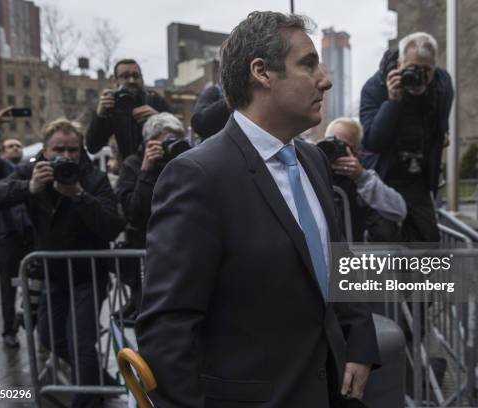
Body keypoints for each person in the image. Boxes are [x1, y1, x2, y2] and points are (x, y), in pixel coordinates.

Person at [136, 12, 379, 408]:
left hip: (333, 391)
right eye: (308, 64)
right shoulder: (197, 176)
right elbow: (167, 328)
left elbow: (338, 263)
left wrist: (360, 344)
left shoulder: (313, 160)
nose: (325, 79)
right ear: (262, 72)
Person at [0, 118, 124, 408]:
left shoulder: (93, 178)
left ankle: (88, 400)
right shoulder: (32, 172)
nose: (66, 157)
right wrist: (29, 188)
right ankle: (100, 383)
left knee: (80, 342)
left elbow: (112, 225)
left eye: (73, 150)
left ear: (81, 150)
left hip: (87, 275)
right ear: (45, 151)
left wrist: (79, 196)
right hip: (52, 276)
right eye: (59, 149)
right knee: (49, 338)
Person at [359, 32, 454, 242]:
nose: (418, 75)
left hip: (419, 180)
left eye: (426, 70)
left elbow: (441, 126)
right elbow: (373, 141)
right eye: (411, 67)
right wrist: (392, 101)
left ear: (435, 66)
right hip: (384, 177)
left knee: (429, 242)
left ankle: (422, 276)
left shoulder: (441, 84)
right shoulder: (376, 87)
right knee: (385, 240)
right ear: (400, 63)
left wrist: (440, 133)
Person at [116, 112, 187, 320]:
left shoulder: (182, 161)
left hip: (179, 251)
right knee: (149, 313)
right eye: (166, 139)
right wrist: (146, 171)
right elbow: (135, 212)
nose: (171, 145)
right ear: (150, 142)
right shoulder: (132, 165)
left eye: (176, 139)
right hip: (145, 255)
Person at [0, 106, 34, 349]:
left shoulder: (29, 171)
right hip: (8, 237)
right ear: (2, 151)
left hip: (30, 236)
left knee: (36, 282)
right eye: (10, 146)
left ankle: (29, 318)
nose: (15, 149)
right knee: (8, 287)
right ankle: (9, 330)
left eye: (18, 146)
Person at [324, 117, 406, 241]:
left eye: (341, 145)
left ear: (356, 152)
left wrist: (361, 177)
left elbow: (399, 210)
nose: (333, 150)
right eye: (329, 143)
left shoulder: (362, 179)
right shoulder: (311, 169)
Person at [86, 58, 171, 160]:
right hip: (129, 170)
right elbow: (93, 147)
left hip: (158, 167)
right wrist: (100, 115)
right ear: (115, 81)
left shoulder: (155, 100)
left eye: (136, 76)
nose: (132, 80)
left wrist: (157, 119)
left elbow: (176, 134)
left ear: (142, 78)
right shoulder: (113, 105)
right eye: (125, 76)